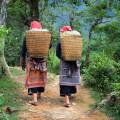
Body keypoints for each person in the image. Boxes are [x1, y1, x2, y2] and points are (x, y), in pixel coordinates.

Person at [20, 20, 49, 106]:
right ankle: (39, 95)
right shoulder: (44, 36)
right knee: (40, 78)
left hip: (32, 60)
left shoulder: (28, 36)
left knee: (33, 79)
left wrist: (22, 63)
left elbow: (23, 50)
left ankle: (35, 99)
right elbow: (49, 45)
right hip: (42, 60)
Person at [56, 26, 80, 107]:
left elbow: (57, 53)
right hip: (74, 63)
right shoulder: (76, 40)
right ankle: (70, 94)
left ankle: (67, 101)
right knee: (71, 79)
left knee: (65, 80)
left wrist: (63, 58)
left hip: (64, 63)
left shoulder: (61, 41)